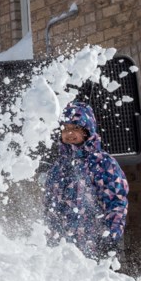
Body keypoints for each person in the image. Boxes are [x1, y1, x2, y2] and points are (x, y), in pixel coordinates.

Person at [43, 101, 130, 263]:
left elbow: (116, 202)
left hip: (93, 245)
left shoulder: (102, 163)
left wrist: (111, 237)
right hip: (59, 248)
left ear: (87, 131)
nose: (69, 133)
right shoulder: (58, 166)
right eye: (66, 129)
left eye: (75, 128)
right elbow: (49, 203)